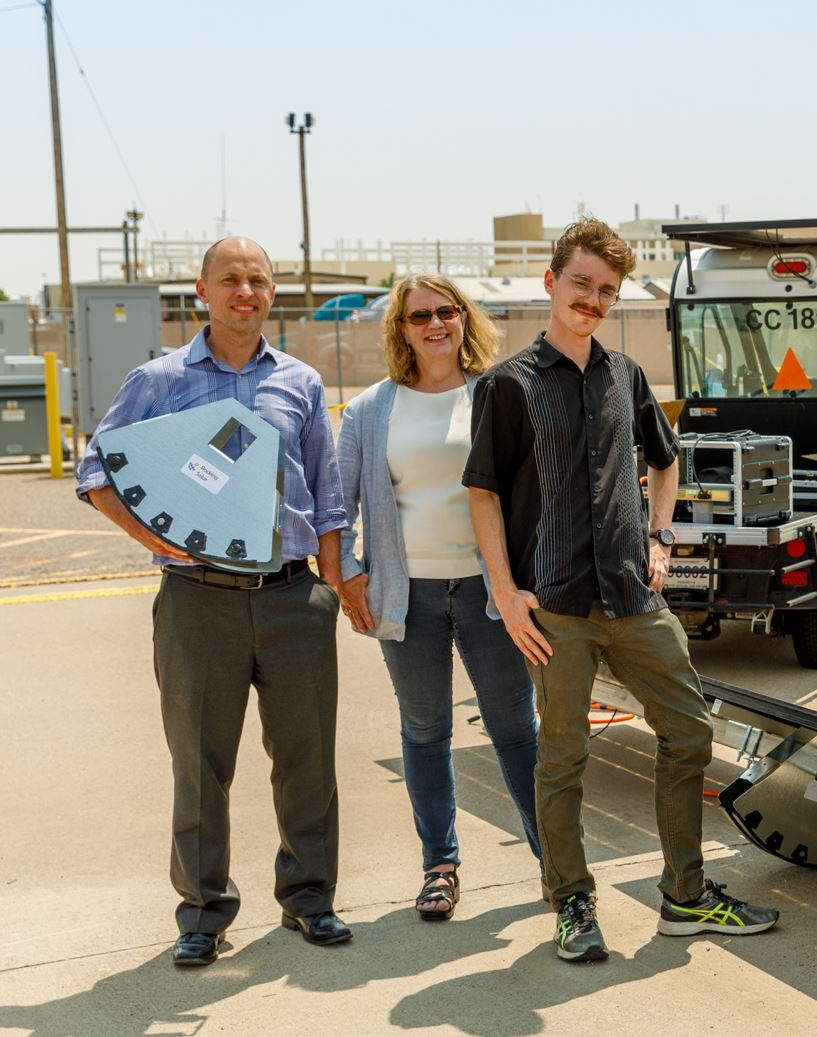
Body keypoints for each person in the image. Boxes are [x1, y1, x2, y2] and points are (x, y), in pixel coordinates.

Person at [463, 218, 779, 962]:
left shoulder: (625, 376)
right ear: (551, 282)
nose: (593, 300)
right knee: (563, 757)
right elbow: (480, 494)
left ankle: (686, 897)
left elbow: (666, 463)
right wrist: (506, 594)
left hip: (635, 599)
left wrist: (661, 538)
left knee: (691, 731)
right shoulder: (507, 387)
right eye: (582, 284)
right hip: (555, 606)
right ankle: (572, 903)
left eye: (606, 290)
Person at [76, 237, 351, 966]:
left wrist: (329, 589)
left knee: (307, 757)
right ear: (200, 289)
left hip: (294, 595)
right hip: (197, 601)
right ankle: (203, 911)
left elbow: (326, 499)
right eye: (230, 278)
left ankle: (310, 899)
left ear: (272, 293)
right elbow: (98, 469)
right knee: (200, 762)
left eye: (258, 280)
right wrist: (160, 540)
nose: (245, 291)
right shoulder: (158, 380)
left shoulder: (300, 382)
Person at [336, 273, 541, 920]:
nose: (434, 323)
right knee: (425, 731)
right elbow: (338, 504)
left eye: (445, 311)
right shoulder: (371, 409)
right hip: (409, 596)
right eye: (418, 314)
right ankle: (440, 867)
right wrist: (350, 574)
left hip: (492, 592)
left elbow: (532, 495)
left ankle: (557, 860)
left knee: (515, 729)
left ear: (463, 318)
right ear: (401, 328)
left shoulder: (498, 394)